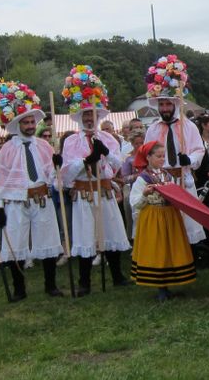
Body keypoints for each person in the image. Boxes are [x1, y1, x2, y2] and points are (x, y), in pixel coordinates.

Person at [60, 65, 132, 296]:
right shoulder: (71, 142)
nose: (90, 119)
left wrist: (105, 153)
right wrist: (85, 161)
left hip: (105, 191)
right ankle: (84, 282)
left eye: (93, 114)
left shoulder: (108, 138)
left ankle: (118, 276)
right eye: (86, 115)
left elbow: (119, 165)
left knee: (110, 233)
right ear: (80, 117)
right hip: (83, 193)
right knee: (85, 235)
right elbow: (66, 174)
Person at [0, 80, 63, 300]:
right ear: (18, 124)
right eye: (26, 122)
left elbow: (52, 175)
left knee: (48, 240)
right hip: (16, 202)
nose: (31, 126)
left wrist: (57, 164)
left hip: (41, 198)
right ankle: (19, 288)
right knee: (16, 243)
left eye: (32, 122)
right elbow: (0, 180)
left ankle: (51, 285)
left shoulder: (44, 145)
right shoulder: (7, 149)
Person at [143, 55, 207, 246]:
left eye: (168, 104)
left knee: (187, 221)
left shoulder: (188, 126)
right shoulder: (153, 129)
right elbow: (146, 155)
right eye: (161, 104)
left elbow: (199, 149)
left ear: (175, 104)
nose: (164, 108)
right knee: (166, 222)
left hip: (183, 178)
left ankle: (191, 255)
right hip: (163, 181)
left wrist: (190, 159)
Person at [129, 141, 196, 302]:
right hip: (153, 217)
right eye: (158, 156)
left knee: (170, 249)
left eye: (163, 156)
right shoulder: (142, 179)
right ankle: (160, 288)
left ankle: (169, 284)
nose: (161, 159)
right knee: (157, 250)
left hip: (169, 216)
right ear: (148, 157)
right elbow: (135, 202)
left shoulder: (167, 175)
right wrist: (145, 194)